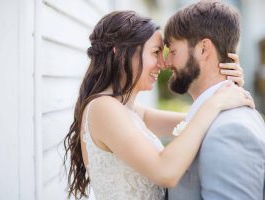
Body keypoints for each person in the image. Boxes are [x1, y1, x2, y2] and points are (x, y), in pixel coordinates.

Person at [64, 10, 253, 200]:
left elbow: (194, 122)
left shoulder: (130, 112)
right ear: (120, 51)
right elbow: (165, 172)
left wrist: (225, 84)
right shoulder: (103, 109)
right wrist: (215, 103)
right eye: (156, 52)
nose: (163, 64)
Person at [163, 1, 265, 199]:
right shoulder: (212, 115)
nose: (167, 63)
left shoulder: (231, 129)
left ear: (203, 49)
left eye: (173, 51)